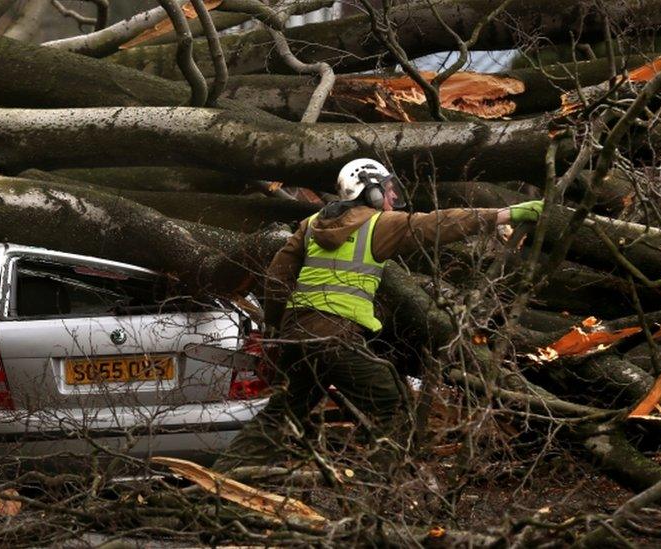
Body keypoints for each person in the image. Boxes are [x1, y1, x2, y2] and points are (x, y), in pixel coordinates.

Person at [213, 158, 542, 473]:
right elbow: (440, 223)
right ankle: (377, 494)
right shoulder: (378, 225)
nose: (394, 195)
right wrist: (506, 214)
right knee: (392, 402)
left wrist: (277, 333)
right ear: (370, 192)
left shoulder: (310, 226)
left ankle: (224, 479)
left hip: (299, 337)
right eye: (387, 188)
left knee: (283, 413)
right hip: (335, 337)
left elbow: (275, 280)